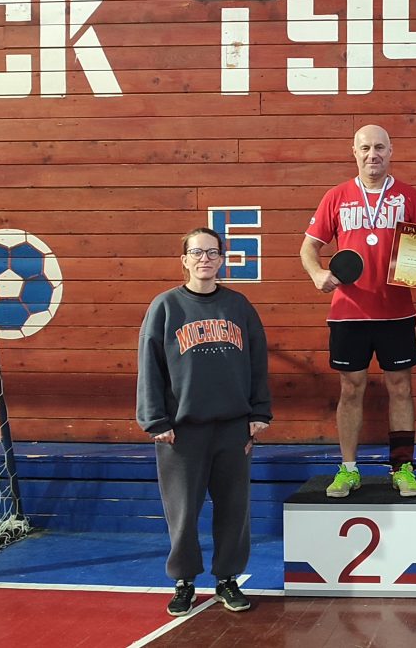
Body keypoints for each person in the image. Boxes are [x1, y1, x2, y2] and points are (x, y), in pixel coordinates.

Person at [300, 125, 416, 499]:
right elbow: (308, 247)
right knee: (351, 389)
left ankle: (403, 468)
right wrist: (317, 273)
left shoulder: (408, 196)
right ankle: (349, 470)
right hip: (348, 313)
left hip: (396, 312)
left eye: (379, 147)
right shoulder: (336, 197)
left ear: (390, 151)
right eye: (365, 148)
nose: (372, 154)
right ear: (354, 152)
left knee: (401, 387)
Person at [136, 227, 272, 616]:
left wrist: (259, 412)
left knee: (234, 510)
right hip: (182, 431)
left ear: (222, 259)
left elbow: (258, 361)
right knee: (182, 513)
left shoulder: (239, 306)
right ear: (184, 260)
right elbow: (149, 366)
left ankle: (227, 579)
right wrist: (155, 420)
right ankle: (184, 581)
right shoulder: (165, 306)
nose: (205, 259)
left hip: (232, 427)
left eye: (212, 252)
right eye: (197, 252)